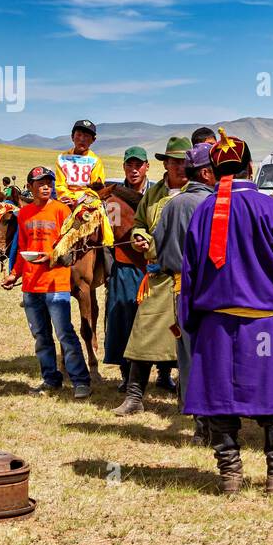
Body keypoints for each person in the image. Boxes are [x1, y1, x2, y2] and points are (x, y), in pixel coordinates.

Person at [180, 131, 273, 494]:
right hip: (266, 326)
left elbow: (189, 274)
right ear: (249, 167)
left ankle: (230, 476)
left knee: (220, 401)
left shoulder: (202, 214)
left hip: (216, 325)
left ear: (212, 171)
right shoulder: (271, 209)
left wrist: (190, 322)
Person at [0, 166, 92, 398]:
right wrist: (14, 274)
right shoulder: (25, 214)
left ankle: (81, 381)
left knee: (65, 334)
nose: (45, 186)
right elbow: (21, 248)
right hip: (31, 286)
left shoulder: (62, 211)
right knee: (41, 337)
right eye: (40, 182)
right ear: (30, 186)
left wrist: (51, 257)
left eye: (49, 182)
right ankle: (51, 380)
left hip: (56, 285)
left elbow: (70, 248)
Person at [148, 143, 216, 440]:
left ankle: (198, 420)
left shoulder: (173, 204)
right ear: (205, 172)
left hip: (181, 288)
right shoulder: (217, 203)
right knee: (214, 353)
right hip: (215, 290)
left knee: (188, 353)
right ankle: (219, 419)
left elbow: (158, 249)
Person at [116, 137, 188, 414]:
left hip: (188, 278)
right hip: (158, 276)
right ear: (165, 164)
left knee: (187, 338)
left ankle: (186, 398)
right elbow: (140, 224)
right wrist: (139, 237)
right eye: (174, 162)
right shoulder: (155, 193)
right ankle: (134, 397)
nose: (179, 167)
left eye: (184, 162)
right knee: (144, 332)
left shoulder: (196, 193)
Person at [104, 147, 151, 392]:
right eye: (129, 165)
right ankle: (126, 374)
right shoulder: (113, 199)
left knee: (159, 322)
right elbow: (109, 239)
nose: (134, 170)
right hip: (124, 266)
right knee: (123, 320)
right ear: (124, 167)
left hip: (154, 267)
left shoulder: (157, 195)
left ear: (147, 167)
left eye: (138, 165)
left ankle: (164, 373)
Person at [54, 118, 114, 247]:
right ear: (72, 137)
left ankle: (106, 253)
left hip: (88, 200)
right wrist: (68, 198)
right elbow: (59, 184)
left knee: (104, 221)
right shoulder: (62, 158)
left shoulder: (95, 161)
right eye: (79, 135)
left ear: (93, 140)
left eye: (87, 136)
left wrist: (79, 200)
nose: (82, 139)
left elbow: (96, 187)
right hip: (65, 199)